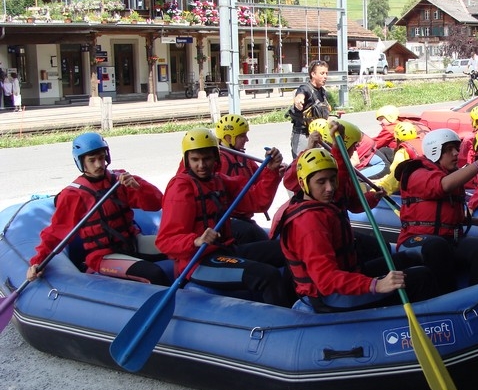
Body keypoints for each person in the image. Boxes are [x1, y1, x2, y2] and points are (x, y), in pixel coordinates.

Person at [272, 143, 437, 312]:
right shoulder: (309, 224)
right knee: (421, 277)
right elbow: (326, 280)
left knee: (411, 258)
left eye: (332, 179)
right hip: (332, 296)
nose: (330, 188)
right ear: (303, 183)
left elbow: (343, 181)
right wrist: (377, 285)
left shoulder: (320, 201)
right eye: (321, 182)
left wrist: (338, 147)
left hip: (348, 275)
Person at [156, 128, 290, 306]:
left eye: (207, 159)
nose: (201, 165)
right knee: (267, 275)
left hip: (226, 251)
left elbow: (257, 201)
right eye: (195, 159)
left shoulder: (219, 181)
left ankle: (301, 305)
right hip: (198, 262)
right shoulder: (180, 189)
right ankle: (286, 318)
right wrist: (195, 240)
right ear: (187, 160)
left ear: (216, 158)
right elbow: (165, 241)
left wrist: (271, 171)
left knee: (290, 249)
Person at [27, 133, 171, 286]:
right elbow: (56, 232)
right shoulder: (73, 195)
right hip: (103, 256)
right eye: (92, 160)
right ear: (81, 162)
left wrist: (138, 188)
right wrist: (38, 261)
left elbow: (156, 204)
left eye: (101, 158)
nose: (98, 164)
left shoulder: (121, 180)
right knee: (154, 274)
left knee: (182, 247)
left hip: (132, 242)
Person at [395, 128, 478, 293]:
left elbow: (446, 215)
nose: (455, 153)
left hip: (448, 241)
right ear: (435, 151)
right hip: (414, 241)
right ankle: (446, 297)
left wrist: (474, 221)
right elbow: (443, 186)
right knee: (437, 246)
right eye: (449, 149)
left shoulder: (449, 174)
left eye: (456, 148)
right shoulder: (416, 173)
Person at [214, 113, 280, 243]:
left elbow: (260, 180)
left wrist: (273, 170)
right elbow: (256, 200)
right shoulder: (221, 162)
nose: (247, 139)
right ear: (228, 138)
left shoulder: (243, 159)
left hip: (243, 220)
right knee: (272, 244)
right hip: (231, 223)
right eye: (242, 136)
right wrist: (271, 173)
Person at [287, 59, 331, 159]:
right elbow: (300, 95)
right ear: (313, 74)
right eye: (322, 73)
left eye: (326, 73)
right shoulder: (305, 88)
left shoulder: (323, 92)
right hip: (303, 135)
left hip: (318, 136)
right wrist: (298, 100)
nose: (325, 76)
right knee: (301, 161)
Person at [373, 122, 423, 195]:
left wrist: (375, 190)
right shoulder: (422, 143)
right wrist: (380, 180)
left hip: (415, 190)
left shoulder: (402, 152)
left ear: (397, 137)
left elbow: (395, 178)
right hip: (423, 182)